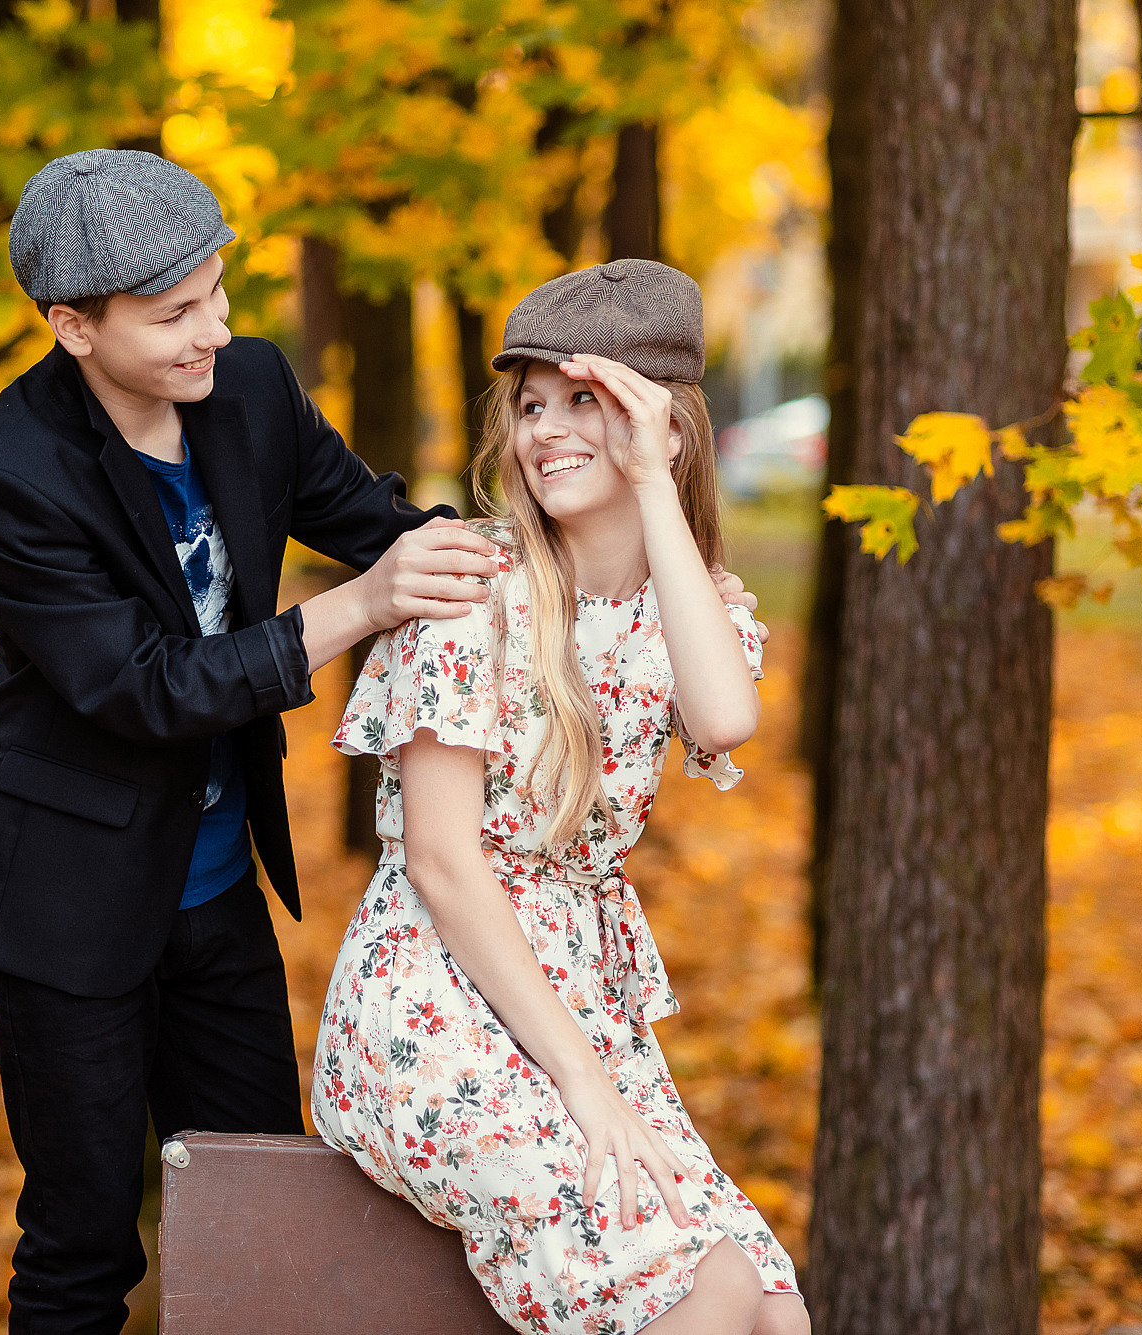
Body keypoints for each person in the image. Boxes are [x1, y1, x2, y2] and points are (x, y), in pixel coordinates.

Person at [0, 149, 765, 1334]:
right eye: (175, 316)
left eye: (217, 293)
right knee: (80, 1239)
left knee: (265, 1208)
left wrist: (534, 576)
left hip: (213, 889)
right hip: (66, 897)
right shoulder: (9, 478)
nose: (213, 331)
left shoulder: (249, 389)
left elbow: (383, 525)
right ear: (73, 326)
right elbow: (140, 688)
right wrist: (362, 607)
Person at [310, 260, 808, 1335]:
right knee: (701, 1293)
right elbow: (444, 865)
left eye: (585, 398)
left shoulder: (685, 607)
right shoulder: (469, 591)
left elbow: (723, 720)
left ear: (661, 426)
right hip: (435, 1004)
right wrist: (586, 1091)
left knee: (770, 1307)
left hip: (582, 997)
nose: (545, 430)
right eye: (530, 404)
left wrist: (648, 489)